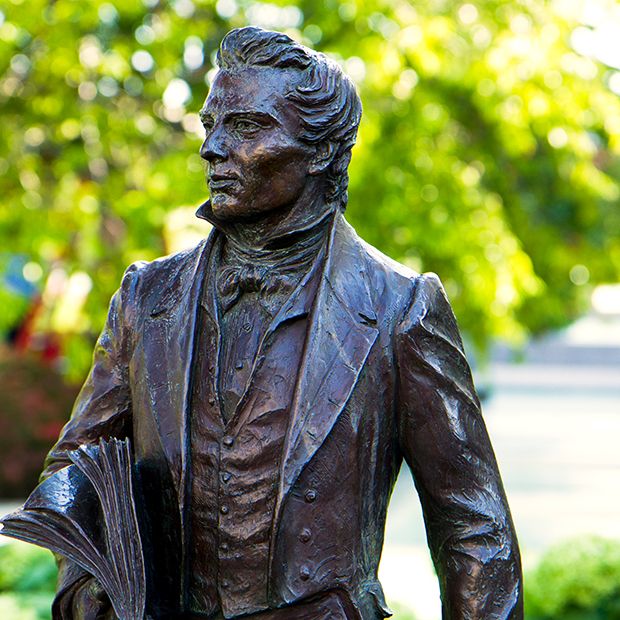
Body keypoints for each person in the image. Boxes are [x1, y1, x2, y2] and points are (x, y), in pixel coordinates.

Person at [40, 27, 523, 620]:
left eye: (245, 127)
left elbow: (474, 528)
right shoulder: (147, 297)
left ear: (321, 150)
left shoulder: (400, 308)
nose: (212, 148)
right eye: (209, 125)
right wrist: (89, 588)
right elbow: (75, 466)